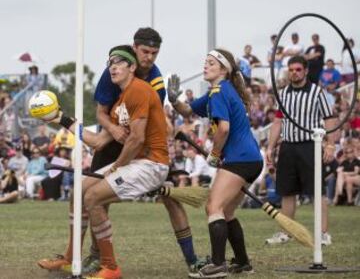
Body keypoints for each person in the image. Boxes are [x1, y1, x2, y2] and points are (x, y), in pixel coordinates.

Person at [38, 45, 169, 279]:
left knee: (92, 197)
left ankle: (110, 267)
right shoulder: (120, 104)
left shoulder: (139, 90)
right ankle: (70, 258)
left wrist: (116, 167)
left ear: (132, 67)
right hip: (137, 164)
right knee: (78, 192)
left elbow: (137, 139)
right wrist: (61, 118)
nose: (113, 66)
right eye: (110, 63)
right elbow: (97, 141)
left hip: (152, 164)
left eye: (119, 62)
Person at [83, 27, 205, 273]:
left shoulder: (155, 81)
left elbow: (146, 126)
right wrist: (114, 131)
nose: (149, 57)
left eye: (154, 53)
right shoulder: (115, 69)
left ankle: (192, 260)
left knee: (170, 199)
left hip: (144, 147)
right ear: (134, 48)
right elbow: (101, 113)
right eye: (145, 51)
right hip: (112, 137)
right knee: (92, 196)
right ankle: (95, 256)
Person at [167, 48, 263, 278]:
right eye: (205, 62)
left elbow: (224, 128)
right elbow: (189, 110)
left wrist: (215, 153)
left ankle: (218, 265)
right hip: (250, 159)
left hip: (239, 159)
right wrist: (174, 99)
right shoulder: (217, 92)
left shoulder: (219, 91)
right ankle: (242, 262)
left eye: (211, 63)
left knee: (213, 207)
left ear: (223, 69)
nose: (205, 65)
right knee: (226, 211)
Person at [265, 55, 337, 246]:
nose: (294, 73)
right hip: (288, 146)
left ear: (305, 71)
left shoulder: (316, 92)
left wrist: (330, 144)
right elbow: (278, 121)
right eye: (291, 69)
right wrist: (270, 147)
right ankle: (286, 233)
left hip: (310, 146)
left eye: (298, 69)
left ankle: (323, 233)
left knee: (317, 191)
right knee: (287, 191)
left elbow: (330, 118)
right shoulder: (283, 94)